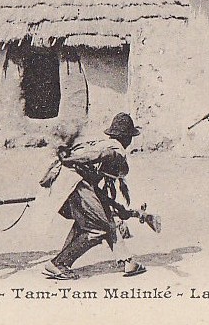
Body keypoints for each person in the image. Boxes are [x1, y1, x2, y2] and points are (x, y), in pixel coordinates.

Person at [42, 113, 146, 280]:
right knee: (98, 227)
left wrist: (118, 207)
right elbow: (104, 155)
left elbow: (98, 192)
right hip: (75, 181)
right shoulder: (117, 150)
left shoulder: (103, 143)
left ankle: (128, 262)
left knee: (100, 217)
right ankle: (58, 264)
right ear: (127, 138)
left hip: (68, 180)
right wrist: (74, 159)